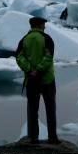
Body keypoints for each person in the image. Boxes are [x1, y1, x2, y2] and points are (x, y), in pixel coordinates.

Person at [15, 16, 60, 144]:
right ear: (40, 25)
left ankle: (33, 138)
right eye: (43, 24)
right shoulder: (47, 39)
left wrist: (30, 70)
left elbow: (19, 57)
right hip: (47, 80)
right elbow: (48, 56)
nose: (45, 26)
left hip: (31, 80)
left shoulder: (24, 39)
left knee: (32, 110)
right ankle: (52, 138)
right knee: (50, 109)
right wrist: (39, 70)